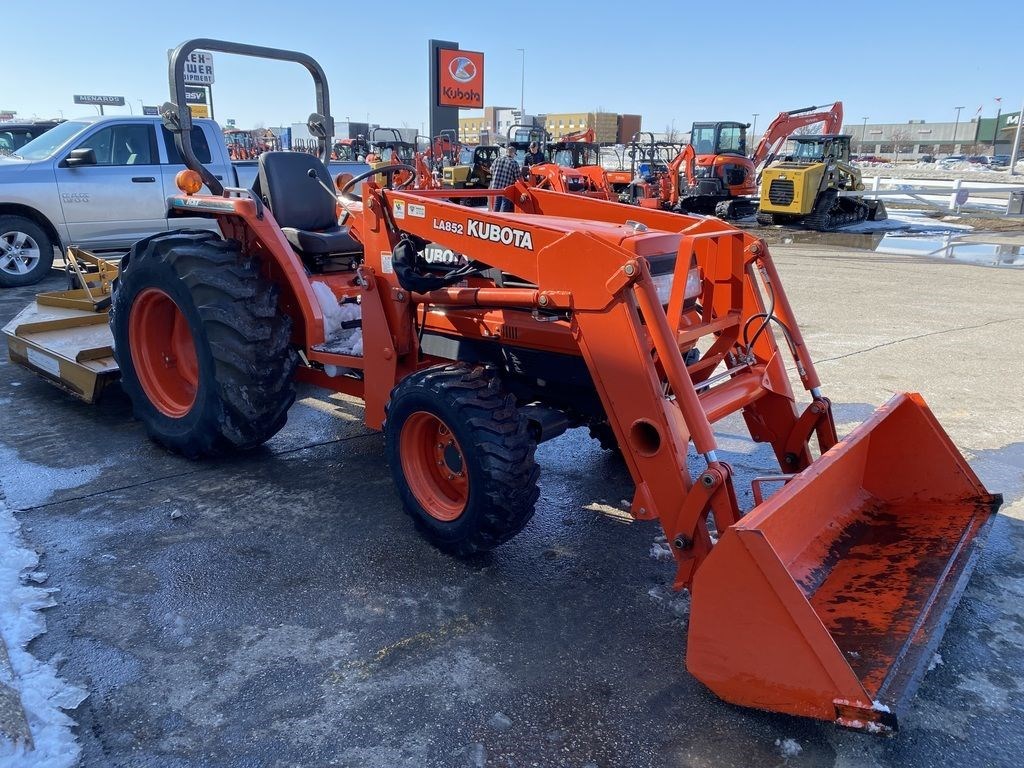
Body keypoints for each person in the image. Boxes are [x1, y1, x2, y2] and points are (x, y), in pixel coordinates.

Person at [488, 144, 520, 212]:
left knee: (497, 203)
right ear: (513, 153)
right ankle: (503, 219)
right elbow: (518, 178)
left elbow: (491, 170)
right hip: (506, 188)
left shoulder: (497, 159)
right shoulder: (514, 163)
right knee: (505, 204)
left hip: (496, 186)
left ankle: (495, 218)